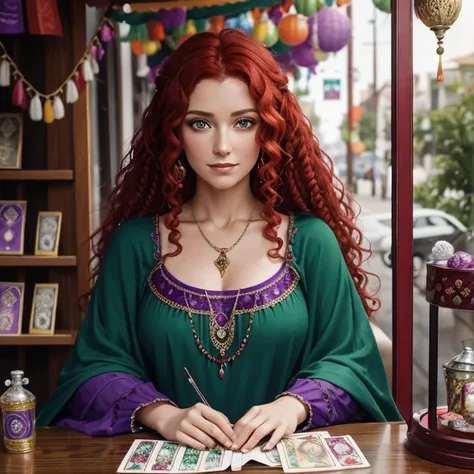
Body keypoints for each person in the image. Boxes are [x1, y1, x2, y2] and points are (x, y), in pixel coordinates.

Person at [37, 28, 402, 453]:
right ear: (173, 131)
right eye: (200, 123)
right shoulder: (135, 244)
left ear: (270, 130)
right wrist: (163, 414)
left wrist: (292, 407)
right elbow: (94, 368)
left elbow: (353, 361)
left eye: (243, 122)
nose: (223, 145)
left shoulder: (310, 241)